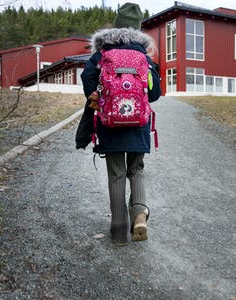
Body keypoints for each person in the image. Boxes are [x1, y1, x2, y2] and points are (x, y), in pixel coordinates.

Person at [75, 2, 161, 245]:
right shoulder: (143, 57)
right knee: (136, 169)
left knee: (116, 174)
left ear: (116, 24)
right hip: (139, 124)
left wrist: (103, 97)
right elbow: (154, 94)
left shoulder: (101, 54)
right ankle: (139, 214)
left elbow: (88, 82)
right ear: (138, 28)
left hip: (109, 123)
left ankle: (119, 229)